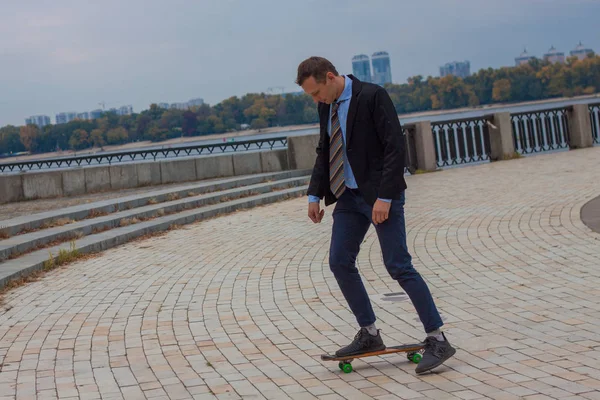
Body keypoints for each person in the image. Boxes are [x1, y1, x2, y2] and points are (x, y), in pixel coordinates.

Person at [295, 56, 456, 374]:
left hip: (382, 195)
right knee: (339, 261)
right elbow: (325, 151)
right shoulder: (325, 105)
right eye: (311, 96)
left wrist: (385, 197)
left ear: (330, 77)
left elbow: (396, 147)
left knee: (398, 265)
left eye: (316, 92)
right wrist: (315, 195)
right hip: (349, 198)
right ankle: (369, 334)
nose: (316, 100)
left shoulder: (372, 95)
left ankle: (437, 338)